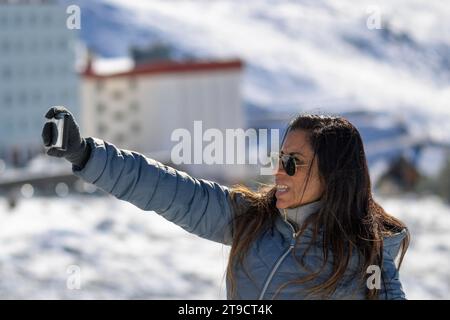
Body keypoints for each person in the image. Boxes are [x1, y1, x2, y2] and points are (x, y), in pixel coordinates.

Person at [41, 106, 409, 300]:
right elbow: (168, 189)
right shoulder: (255, 221)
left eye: (292, 163)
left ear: (333, 175)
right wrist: (87, 153)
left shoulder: (368, 260)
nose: (279, 172)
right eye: (278, 159)